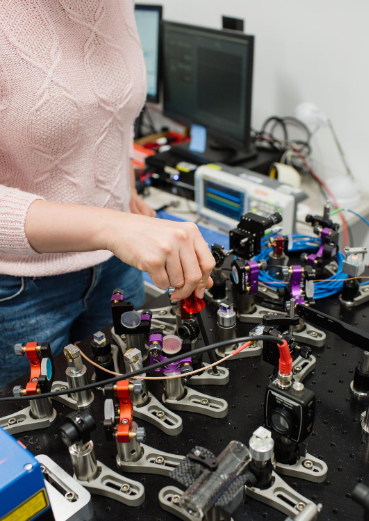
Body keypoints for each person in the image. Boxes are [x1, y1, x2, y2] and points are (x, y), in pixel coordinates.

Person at [0, 0, 215, 388]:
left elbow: (112, 110)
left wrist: (125, 188)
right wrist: (114, 227)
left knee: (123, 395)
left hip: (117, 266)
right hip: (20, 289)